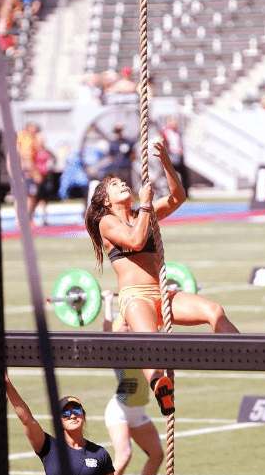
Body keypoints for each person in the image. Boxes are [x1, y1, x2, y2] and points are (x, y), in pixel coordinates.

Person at [85, 140, 240, 417]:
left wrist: (167, 164)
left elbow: (177, 198)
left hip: (162, 295)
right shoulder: (107, 222)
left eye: (123, 181)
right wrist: (145, 205)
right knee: (152, 342)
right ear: (106, 200)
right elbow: (134, 240)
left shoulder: (143, 213)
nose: (123, 184)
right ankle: (160, 386)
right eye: (115, 184)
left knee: (213, 310)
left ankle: (246, 351)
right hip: (135, 297)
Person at [99, 291, 164, 475]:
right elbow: (108, 330)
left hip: (138, 412)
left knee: (157, 454)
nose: (128, 324)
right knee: (124, 455)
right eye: (124, 324)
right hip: (119, 411)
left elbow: (151, 321)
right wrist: (108, 302)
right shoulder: (117, 350)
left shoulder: (144, 343)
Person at [161, 116, 189, 198]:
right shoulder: (165, 132)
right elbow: (165, 144)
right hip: (170, 157)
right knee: (169, 176)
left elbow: (180, 143)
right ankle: (170, 193)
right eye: (173, 121)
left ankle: (185, 193)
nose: (175, 123)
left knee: (184, 175)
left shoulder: (178, 132)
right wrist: (172, 151)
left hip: (178, 157)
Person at [34, 131, 57, 226]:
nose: (42, 141)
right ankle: (31, 217)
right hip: (37, 177)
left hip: (46, 176)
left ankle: (43, 217)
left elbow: (54, 158)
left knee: (44, 198)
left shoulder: (46, 150)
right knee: (35, 197)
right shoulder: (34, 150)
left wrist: (50, 167)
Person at [107, 123, 136, 192]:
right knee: (117, 184)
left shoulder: (128, 142)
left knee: (128, 185)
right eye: (117, 131)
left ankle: (131, 200)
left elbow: (133, 155)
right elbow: (110, 156)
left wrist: (127, 161)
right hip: (116, 168)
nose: (119, 133)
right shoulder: (113, 143)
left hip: (126, 167)